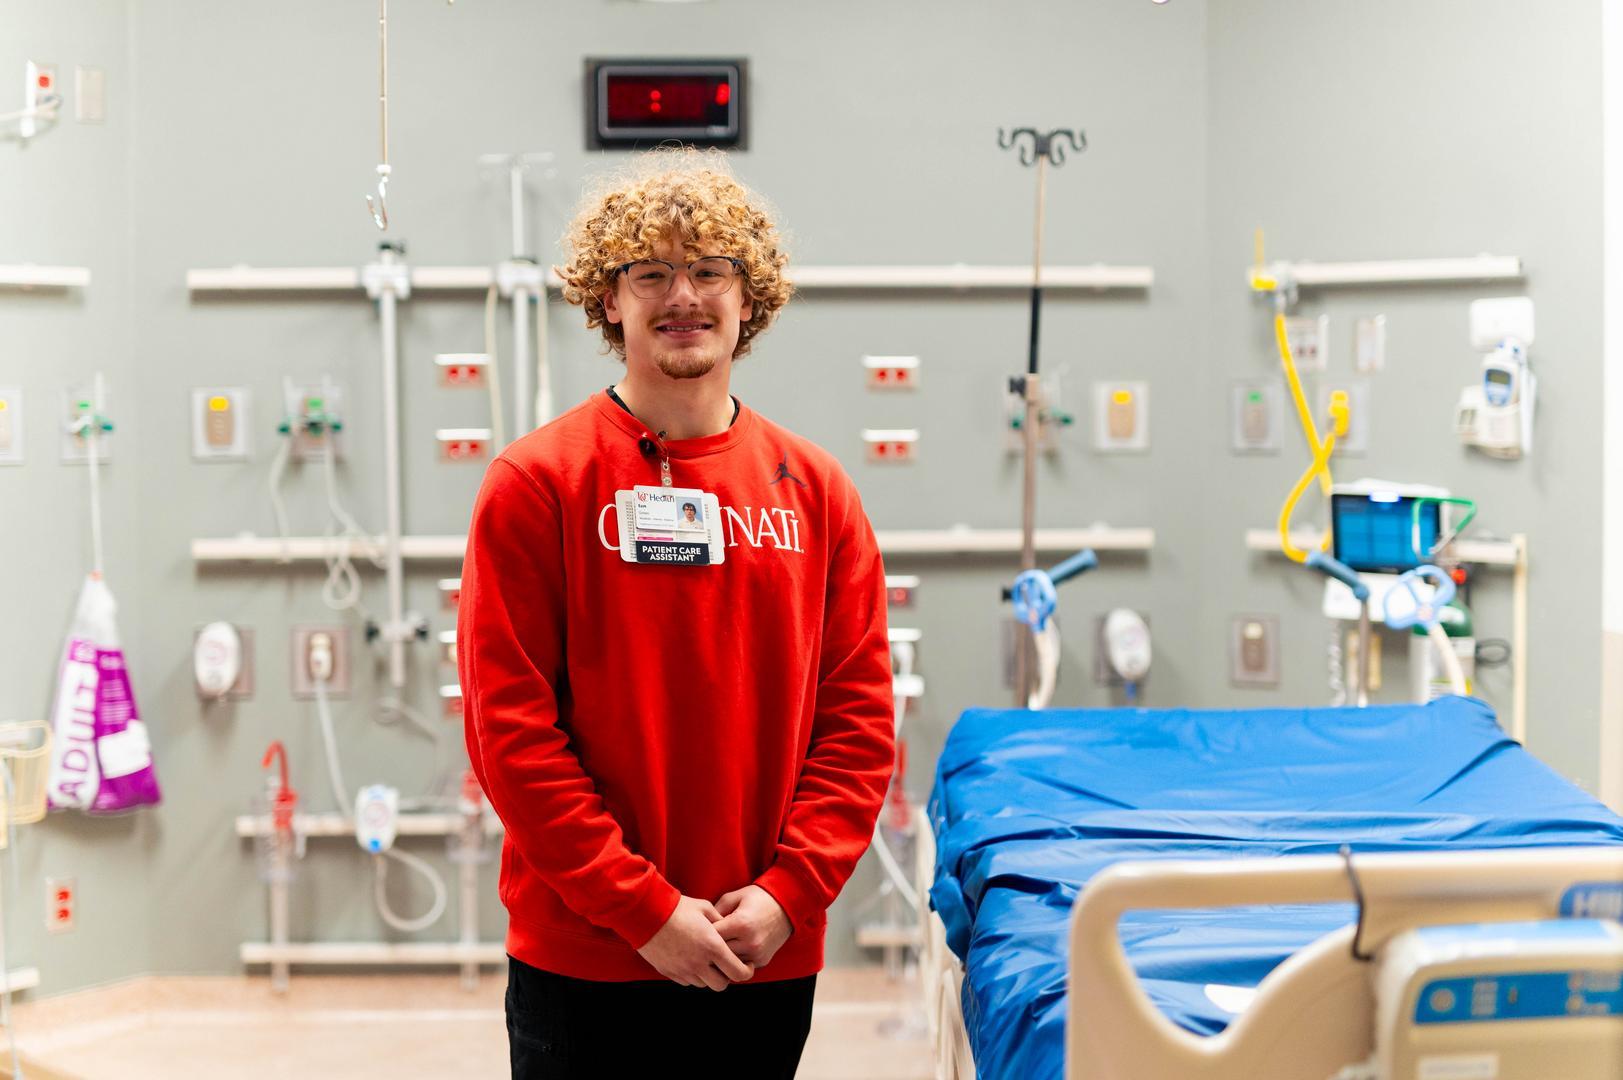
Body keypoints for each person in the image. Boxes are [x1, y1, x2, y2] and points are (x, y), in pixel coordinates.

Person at [458, 147, 894, 1079]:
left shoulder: (815, 491)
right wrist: (641, 910)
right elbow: (511, 734)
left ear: (751, 298)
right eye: (648, 272)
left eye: (708, 270)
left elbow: (857, 722)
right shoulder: (539, 485)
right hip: (589, 956)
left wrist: (790, 893)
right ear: (608, 301)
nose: (681, 295)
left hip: (761, 946)